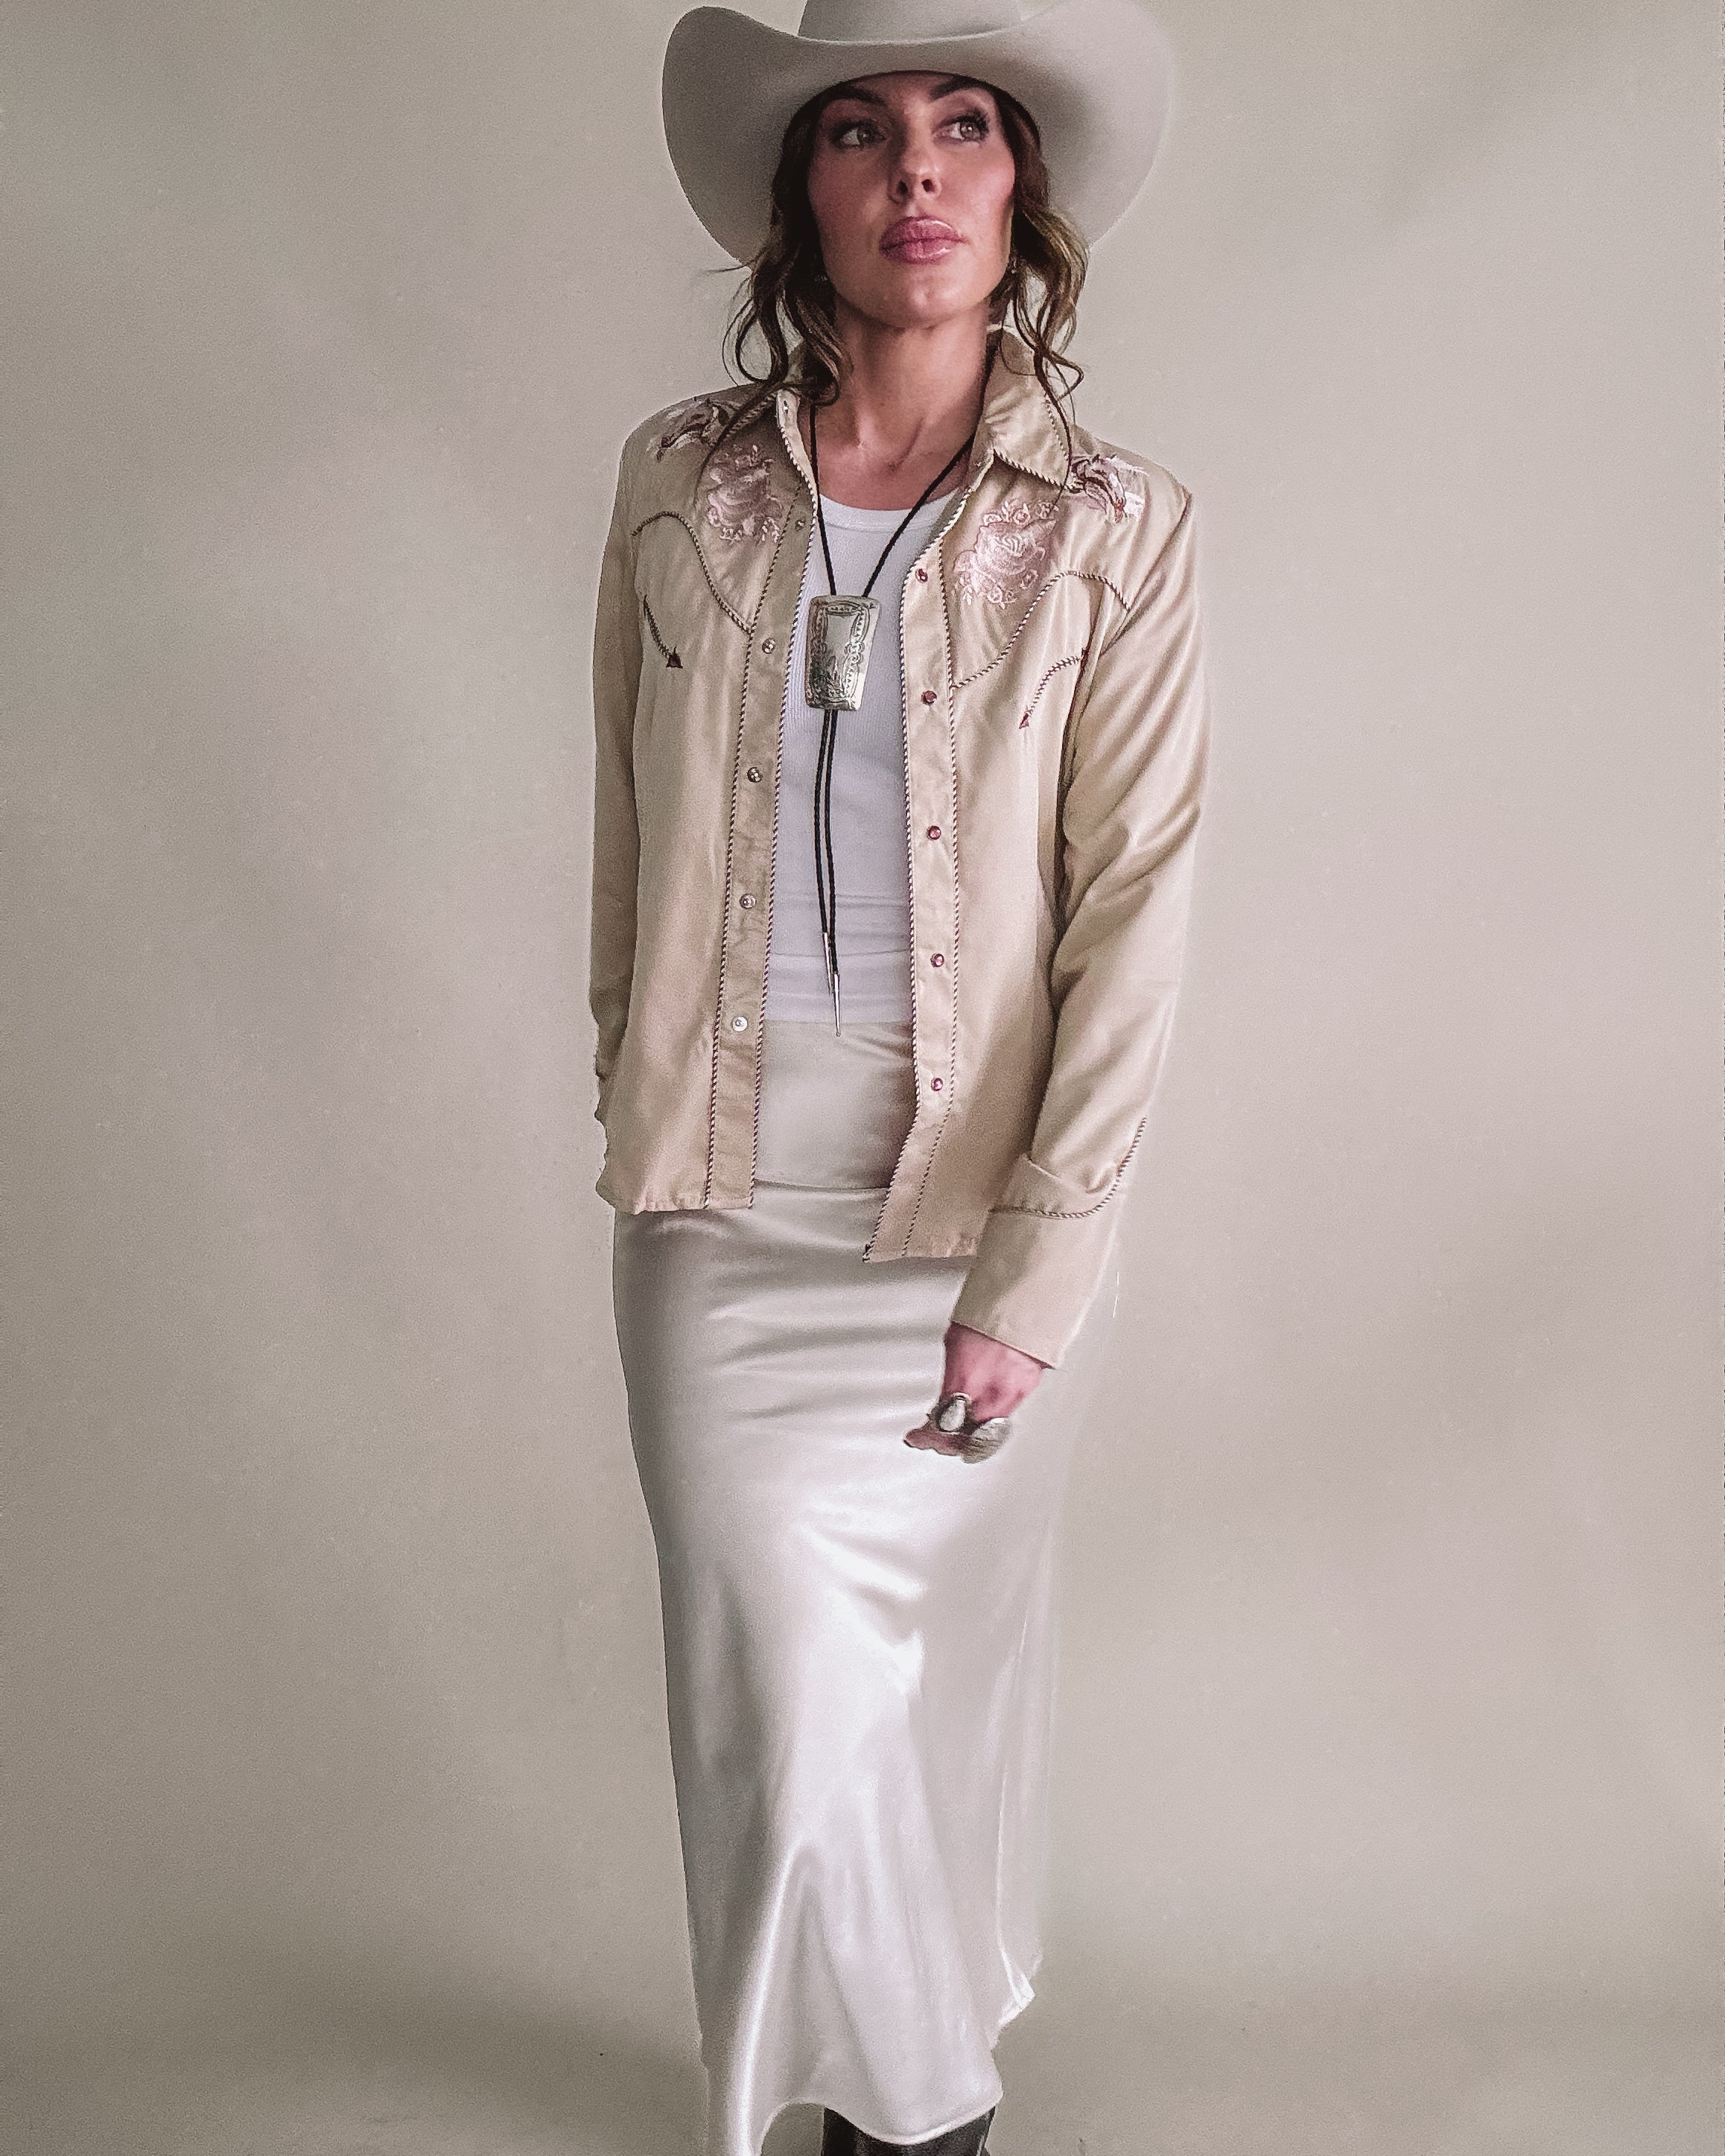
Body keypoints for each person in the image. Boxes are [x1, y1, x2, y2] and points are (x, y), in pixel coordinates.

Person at [588, 4, 1208, 2152]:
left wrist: (1040, 1267)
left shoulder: (1122, 528)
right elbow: (627, 837)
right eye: (860, 131)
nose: (915, 173)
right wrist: (635, 1094)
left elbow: (1135, 904)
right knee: (778, 1689)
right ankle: (893, 2110)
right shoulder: (681, 482)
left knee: (915, 1698)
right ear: (800, 196)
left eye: (965, 128)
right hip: (720, 1199)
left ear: (1020, 189)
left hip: (967, 1197)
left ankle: (903, 2103)